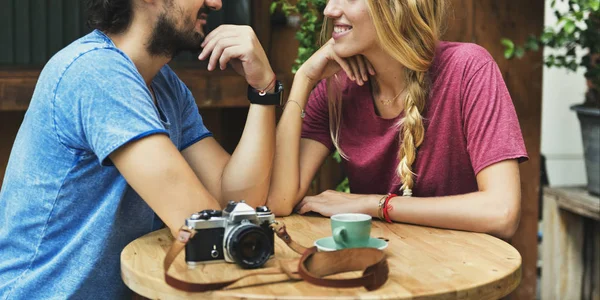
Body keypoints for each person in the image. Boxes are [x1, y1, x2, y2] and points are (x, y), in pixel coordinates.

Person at [0, 0, 281, 298]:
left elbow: (239, 202)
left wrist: (264, 87)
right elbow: (202, 223)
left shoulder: (164, 85)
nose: (215, 3)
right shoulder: (97, 72)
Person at [267, 0, 529, 240]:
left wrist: (374, 204)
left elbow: (501, 212)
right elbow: (279, 200)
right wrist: (304, 78)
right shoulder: (336, 89)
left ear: (396, 7)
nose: (329, 10)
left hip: (461, 272)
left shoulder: (468, 69)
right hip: (385, 268)